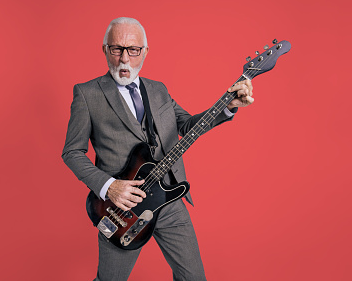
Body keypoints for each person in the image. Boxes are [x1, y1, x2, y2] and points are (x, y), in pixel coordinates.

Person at [62, 17, 254, 280]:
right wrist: (109, 187)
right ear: (105, 49)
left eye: (133, 50)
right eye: (116, 49)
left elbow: (187, 125)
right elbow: (72, 152)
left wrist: (228, 106)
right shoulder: (87, 94)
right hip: (121, 208)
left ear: (145, 52)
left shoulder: (158, 90)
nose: (124, 59)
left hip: (170, 200)